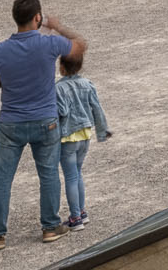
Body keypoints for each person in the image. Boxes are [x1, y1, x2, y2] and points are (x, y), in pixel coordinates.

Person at [0, 0, 86, 248]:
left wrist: (6, 81)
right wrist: (57, 26)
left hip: (10, 123)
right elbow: (79, 45)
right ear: (37, 17)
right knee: (48, 175)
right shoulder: (49, 44)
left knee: (2, 180)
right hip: (45, 121)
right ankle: (50, 227)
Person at [54, 49, 112, 230]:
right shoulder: (88, 84)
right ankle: (82, 212)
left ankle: (75, 217)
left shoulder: (58, 88)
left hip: (68, 138)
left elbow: (61, 112)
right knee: (78, 173)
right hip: (85, 135)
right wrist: (102, 132)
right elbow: (97, 109)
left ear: (61, 68)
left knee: (70, 176)